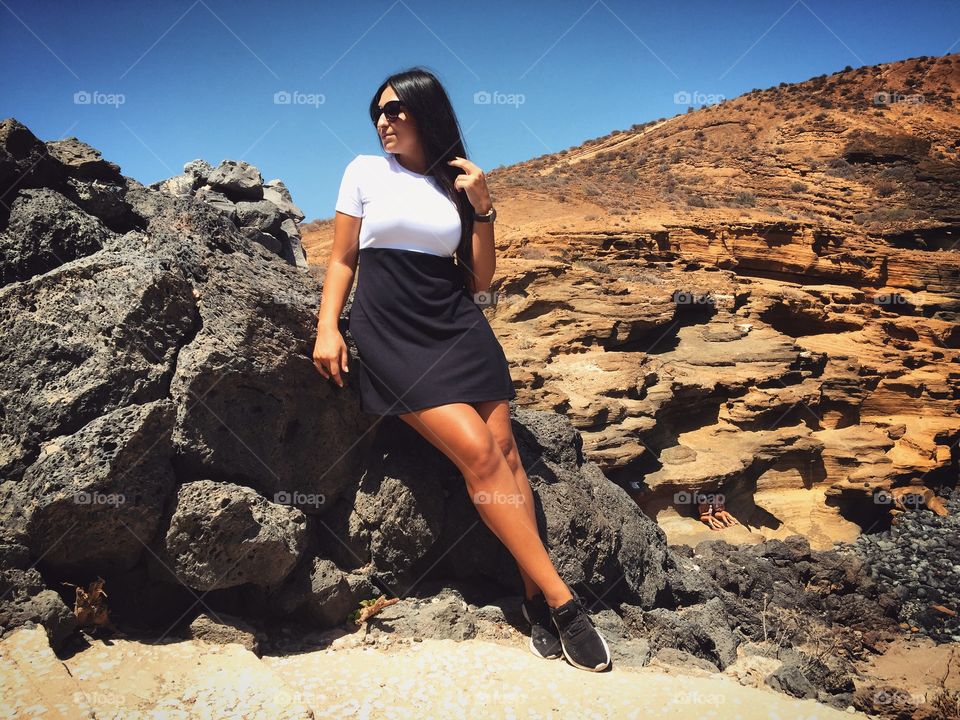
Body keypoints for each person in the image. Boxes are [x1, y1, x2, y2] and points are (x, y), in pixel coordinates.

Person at [312, 67, 611, 672]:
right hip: (392, 334)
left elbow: (479, 281)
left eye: (396, 111)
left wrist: (484, 208)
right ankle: (564, 601)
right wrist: (326, 327)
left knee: (506, 453)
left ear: (426, 113)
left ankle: (533, 602)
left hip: (460, 331)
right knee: (478, 454)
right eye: (378, 112)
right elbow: (342, 259)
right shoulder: (363, 172)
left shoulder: (458, 183)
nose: (383, 121)